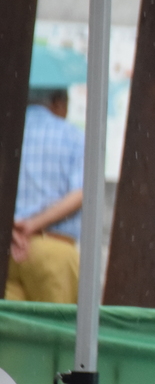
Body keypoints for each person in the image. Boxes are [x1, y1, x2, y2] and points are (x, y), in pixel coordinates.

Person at [6, 83, 84, 303]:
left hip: (7, 250)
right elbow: (81, 193)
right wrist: (33, 224)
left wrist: (10, 227)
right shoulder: (73, 136)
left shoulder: (8, 134)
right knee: (56, 323)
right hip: (54, 250)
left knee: (9, 324)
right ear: (58, 103)